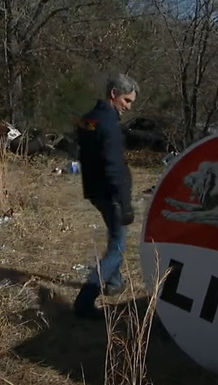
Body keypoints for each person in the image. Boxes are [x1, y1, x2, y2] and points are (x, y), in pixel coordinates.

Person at [73, 73, 139, 320]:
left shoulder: (90, 118)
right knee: (119, 247)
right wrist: (124, 203)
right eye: (126, 100)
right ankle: (85, 301)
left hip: (94, 189)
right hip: (110, 193)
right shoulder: (109, 124)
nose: (128, 106)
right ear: (113, 94)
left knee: (114, 236)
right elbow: (112, 166)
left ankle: (114, 281)